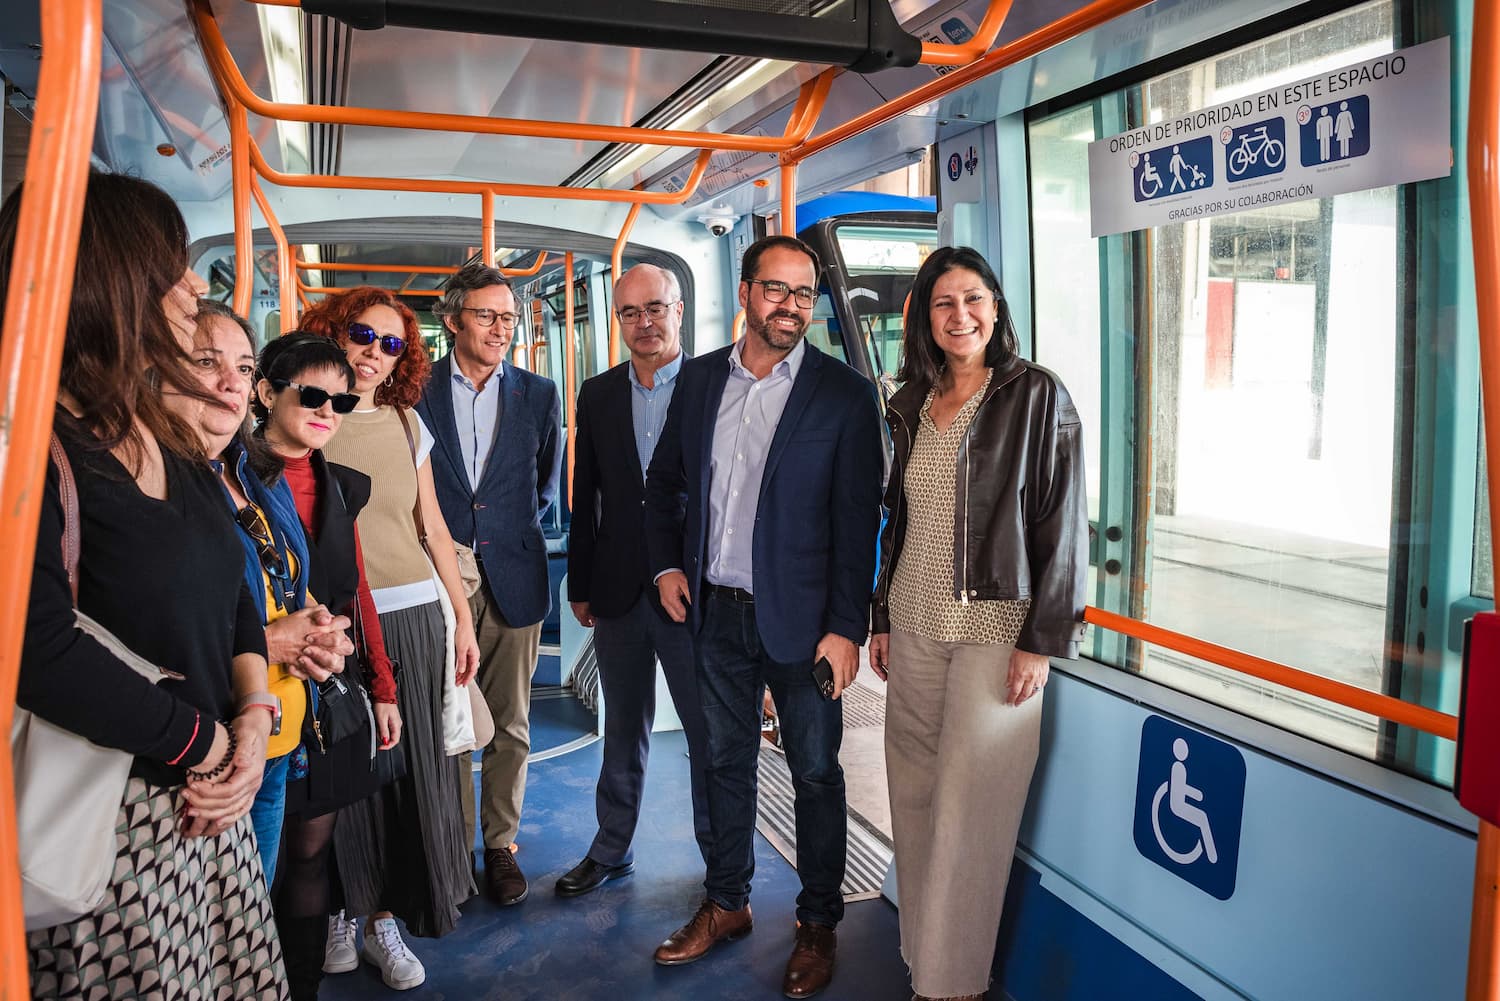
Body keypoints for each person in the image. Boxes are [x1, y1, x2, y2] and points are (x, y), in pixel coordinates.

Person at [9, 171, 286, 997]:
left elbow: (233, 586)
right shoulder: (35, 445)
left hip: (211, 803)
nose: (194, 286)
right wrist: (204, 744)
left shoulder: (158, 433)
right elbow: (38, 645)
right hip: (108, 821)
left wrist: (251, 713)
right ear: (111, 282)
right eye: (173, 269)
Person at [644, 235, 884, 998]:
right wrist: (667, 563)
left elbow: (858, 521)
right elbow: (665, 483)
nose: (791, 306)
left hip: (807, 623)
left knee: (814, 771)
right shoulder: (700, 380)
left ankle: (817, 922)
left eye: (803, 293)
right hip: (715, 612)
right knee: (722, 762)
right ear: (746, 293)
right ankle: (728, 903)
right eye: (776, 290)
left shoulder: (843, 394)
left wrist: (847, 625)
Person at [867, 246, 1088, 1001]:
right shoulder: (909, 403)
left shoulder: (1036, 396)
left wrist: (1042, 639)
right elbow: (896, 522)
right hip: (914, 618)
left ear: (996, 307)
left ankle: (951, 983)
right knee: (916, 795)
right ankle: (922, 956)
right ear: (925, 319)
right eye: (943, 303)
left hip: (998, 627)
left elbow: (1064, 525)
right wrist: (881, 616)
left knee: (974, 809)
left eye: (973, 299)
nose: (960, 316)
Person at [300, 287, 479, 991]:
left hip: (414, 614)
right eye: (361, 336)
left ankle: (384, 918)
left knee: (410, 772)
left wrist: (461, 618)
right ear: (332, 334)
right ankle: (343, 908)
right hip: (341, 617)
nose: (374, 353)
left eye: (391, 344)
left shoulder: (408, 425)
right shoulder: (309, 415)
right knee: (347, 772)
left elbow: (431, 526)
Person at [162, 299, 356, 886]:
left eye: (244, 368)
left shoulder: (249, 472)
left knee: (253, 918)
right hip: (207, 746)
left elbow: (291, 590)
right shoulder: (158, 485)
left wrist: (319, 635)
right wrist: (273, 646)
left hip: (276, 731)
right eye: (204, 361)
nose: (231, 383)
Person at [251, 331, 405, 1000]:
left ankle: (302, 986)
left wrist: (383, 684)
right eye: (312, 394)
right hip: (254, 694)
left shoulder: (343, 484)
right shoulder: (229, 478)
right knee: (256, 858)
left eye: (340, 400)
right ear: (266, 392)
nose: (327, 411)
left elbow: (357, 591)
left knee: (310, 852)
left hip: (328, 698)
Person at [560, 263, 712, 897]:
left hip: (693, 591)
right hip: (619, 588)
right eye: (630, 313)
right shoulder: (596, 394)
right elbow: (585, 494)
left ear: (679, 311)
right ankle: (611, 848)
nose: (644, 323)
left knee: (708, 733)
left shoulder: (714, 385)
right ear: (617, 320)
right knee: (622, 726)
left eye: (656, 309)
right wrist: (580, 584)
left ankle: (722, 869)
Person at [417, 262, 562, 905]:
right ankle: (448, 847)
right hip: (437, 579)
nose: (501, 327)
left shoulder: (539, 394)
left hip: (514, 574)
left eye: (509, 316)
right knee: (447, 720)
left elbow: (544, 483)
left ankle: (499, 844)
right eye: (486, 315)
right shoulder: (413, 392)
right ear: (452, 321)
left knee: (511, 722)